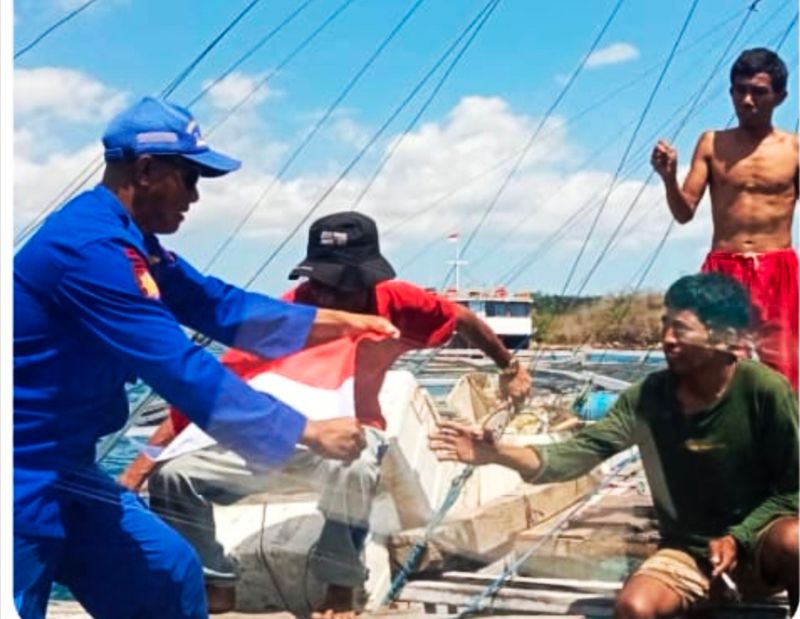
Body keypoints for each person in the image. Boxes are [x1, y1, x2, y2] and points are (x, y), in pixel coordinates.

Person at [13, 98, 399, 619]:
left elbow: (218, 305)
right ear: (147, 171)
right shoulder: (88, 251)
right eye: (191, 177)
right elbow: (180, 369)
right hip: (20, 471)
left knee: (168, 572)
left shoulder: (133, 244)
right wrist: (307, 431)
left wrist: (338, 324)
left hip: (69, 465)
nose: (196, 196)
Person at [121, 211, 532, 617]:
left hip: (351, 434)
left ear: (371, 280)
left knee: (353, 464)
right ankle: (216, 583)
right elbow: (210, 389)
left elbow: (462, 318)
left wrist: (509, 367)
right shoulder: (289, 312)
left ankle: (340, 584)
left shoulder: (401, 302)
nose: (326, 298)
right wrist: (138, 471)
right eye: (319, 283)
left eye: (340, 287)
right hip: (279, 438)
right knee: (176, 476)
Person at [430, 273, 798, 618]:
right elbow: (571, 457)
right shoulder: (647, 398)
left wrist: (739, 537)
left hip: (759, 548)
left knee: (795, 539)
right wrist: (496, 453)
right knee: (633, 607)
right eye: (665, 323)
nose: (667, 338)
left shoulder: (764, 390)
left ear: (723, 337)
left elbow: (793, 491)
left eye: (681, 328)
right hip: (691, 554)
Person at [651, 47, 798, 390]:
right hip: (724, 269)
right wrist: (669, 177)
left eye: (758, 92)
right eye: (739, 90)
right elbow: (684, 212)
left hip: (778, 268)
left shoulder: (793, 149)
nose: (747, 100)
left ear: (780, 96)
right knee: (715, 365)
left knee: (785, 368)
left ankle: (785, 439)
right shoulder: (711, 143)